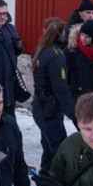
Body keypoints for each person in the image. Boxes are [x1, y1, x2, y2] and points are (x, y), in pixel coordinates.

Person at [29, 18, 74, 177]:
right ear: (62, 33)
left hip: (40, 107)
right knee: (60, 152)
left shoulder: (40, 50)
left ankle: (44, 181)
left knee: (49, 150)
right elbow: (60, 89)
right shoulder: (56, 56)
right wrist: (74, 114)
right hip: (49, 109)